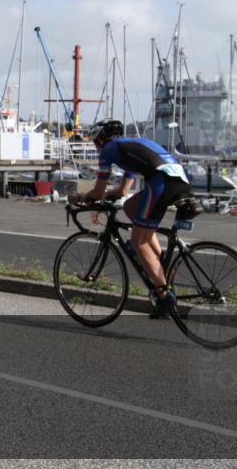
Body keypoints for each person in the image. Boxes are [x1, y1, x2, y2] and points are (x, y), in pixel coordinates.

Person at [67, 119, 193, 319]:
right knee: (130, 207)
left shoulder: (109, 150)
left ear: (100, 139)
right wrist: (110, 194)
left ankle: (165, 296)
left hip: (162, 183)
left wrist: (80, 198)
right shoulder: (129, 146)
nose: (94, 146)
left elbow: (97, 193)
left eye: (93, 141)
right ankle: (158, 258)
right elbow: (123, 190)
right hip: (180, 180)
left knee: (137, 241)